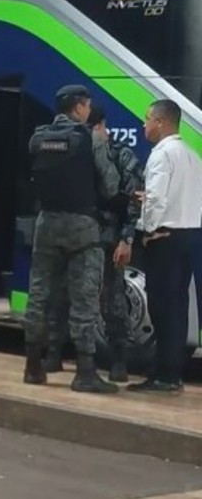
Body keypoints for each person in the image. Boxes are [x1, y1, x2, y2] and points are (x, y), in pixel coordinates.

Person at [23, 85, 120, 393]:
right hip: (82, 226)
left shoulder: (38, 138)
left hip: (46, 224)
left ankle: (33, 367)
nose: (89, 110)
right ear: (79, 107)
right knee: (84, 298)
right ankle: (85, 372)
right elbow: (111, 186)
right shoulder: (91, 138)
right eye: (87, 105)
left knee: (39, 294)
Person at [44, 104, 143, 382]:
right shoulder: (74, 152)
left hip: (106, 239)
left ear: (100, 126)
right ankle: (55, 352)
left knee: (113, 299)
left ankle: (118, 361)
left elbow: (133, 200)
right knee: (62, 295)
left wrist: (126, 238)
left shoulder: (120, 154)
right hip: (74, 236)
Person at [128, 99, 202, 393]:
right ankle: (173, 373)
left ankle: (164, 377)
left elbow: (156, 199)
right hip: (190, 235)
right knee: (179, 306)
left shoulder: (161, 154)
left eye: (147, 119)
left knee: (161, 307)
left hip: (165, 238)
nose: (144, 125)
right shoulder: (192, 155)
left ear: (160, 122)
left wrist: (147, 230)